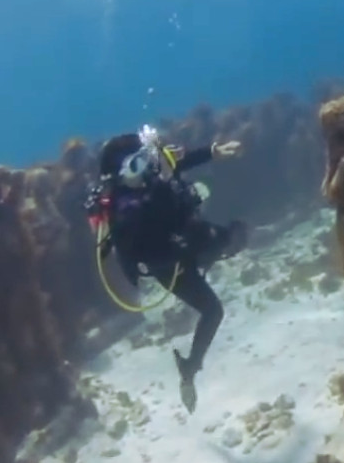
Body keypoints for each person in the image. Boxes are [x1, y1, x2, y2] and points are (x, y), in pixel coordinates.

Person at [85, 126, 248, 413]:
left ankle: (189, 367)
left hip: (187, 240)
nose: (148, 166)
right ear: (124, 172)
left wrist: (213, 152)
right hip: (170, 266)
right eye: (139, 163)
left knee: (237, 235)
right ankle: (189, 369)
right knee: (213, 310)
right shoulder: (127, 209)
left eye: (146, 158)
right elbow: (151, 250)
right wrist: (172, 196)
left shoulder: (145, 176)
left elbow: (175, 160)